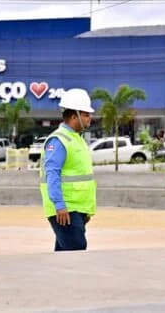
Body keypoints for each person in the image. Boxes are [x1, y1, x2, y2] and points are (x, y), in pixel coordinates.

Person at [40, 88, 97, 252]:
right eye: (86, 114)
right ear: (74, 116)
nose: (90, 118)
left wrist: (85, 211)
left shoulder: (76, 139)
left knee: (65, 256)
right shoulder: (59, 140)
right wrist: (59, 205)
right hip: (65, 209)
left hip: (76, 209)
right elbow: (52, 174)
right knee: (77, 250)